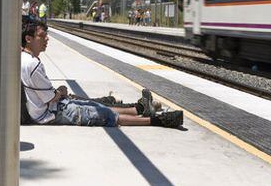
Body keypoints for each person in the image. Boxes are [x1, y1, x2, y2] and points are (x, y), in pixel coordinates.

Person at [21, 20, 183, 127]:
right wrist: (62, 91)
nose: (47, 39)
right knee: (104, 114)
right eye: (42, 36)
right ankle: (158, 121)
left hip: (50, 109)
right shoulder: (32, 64)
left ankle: (139, 109)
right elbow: (50, 97)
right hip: (49, 114)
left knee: (95, 106)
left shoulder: (25, 58)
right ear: (28, 39)